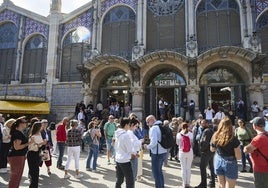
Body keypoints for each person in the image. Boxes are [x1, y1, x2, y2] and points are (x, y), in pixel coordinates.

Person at [210, 117, 241, 188]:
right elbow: (238, 157)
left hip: (218, 160)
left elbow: (212, 149)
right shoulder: (233, 138)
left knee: (221, 185)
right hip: (230, 162)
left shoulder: (215, 135)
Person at [8, 117, 34, 188]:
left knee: (17, 177)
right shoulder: (17, 133)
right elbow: (17, 147)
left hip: (19, 156)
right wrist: (28, 143)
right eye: (25, 122)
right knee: (15, 177)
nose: (26, 123)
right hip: (16, 156)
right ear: (21, 124)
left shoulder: (18, 132)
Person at [244, 117, 268, 188]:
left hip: (261, 169)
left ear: (255, 126)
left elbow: (247, 149)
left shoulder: (258, 138)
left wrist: (245, 147)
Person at [144, 115, 167, 188]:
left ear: (151, 120)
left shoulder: (153, 128)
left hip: (156, 153)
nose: (147, 124)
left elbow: (153, 143)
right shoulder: (161, 125)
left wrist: (147, 147)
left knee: (156, 173)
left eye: (147, 122)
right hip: (163, 152)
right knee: (159, 172)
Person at [114, 117, 134, 188]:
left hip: (118, 158)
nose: (130, 126)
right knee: (130, 181)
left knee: (119, 179)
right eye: (129, 124)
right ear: (126, 125)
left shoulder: (117, 133)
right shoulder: (125, 135)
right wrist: (135, 153)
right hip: (125, 160)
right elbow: (130, 149)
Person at [195, 119, 215, 188]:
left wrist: (201, 150)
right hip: (210, 152)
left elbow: (205, 142)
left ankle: (203, 184)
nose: (202, 125)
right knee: (211, 167)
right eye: (201, 123)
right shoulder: (210, 130)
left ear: (207, 124)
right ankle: (212, 183)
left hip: (206, 152)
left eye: (203, 123)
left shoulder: (206, 131)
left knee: (202, 167)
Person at [27, 121, 47, 188]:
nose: (42, 127)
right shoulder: (33, 136)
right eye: (41, 126)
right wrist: (42, 143)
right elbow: (31, 147)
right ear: (38, 127)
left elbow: (40, 145)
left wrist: (42, 144)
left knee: (36, 173)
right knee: (34, 173)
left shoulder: (39, 135)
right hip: (32, 154)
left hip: (37, 154)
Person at [176, 122, 194, 188]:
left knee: (183, 168)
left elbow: (177, 144)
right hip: (190, 151)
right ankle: (188, 183)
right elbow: (192, 143)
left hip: (182, 152)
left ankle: (184, 184)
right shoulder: (191, 134)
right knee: (188, 168)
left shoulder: (178, 134)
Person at [128, 117, 143, 181]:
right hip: (133, 154)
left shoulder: (130, 132)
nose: (136, 128)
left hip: (134, 153)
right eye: (136, 126)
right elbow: (133, 144)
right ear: (132, 125)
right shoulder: (130, 133)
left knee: (133, 174)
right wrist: (141, 141)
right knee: (132, 175)